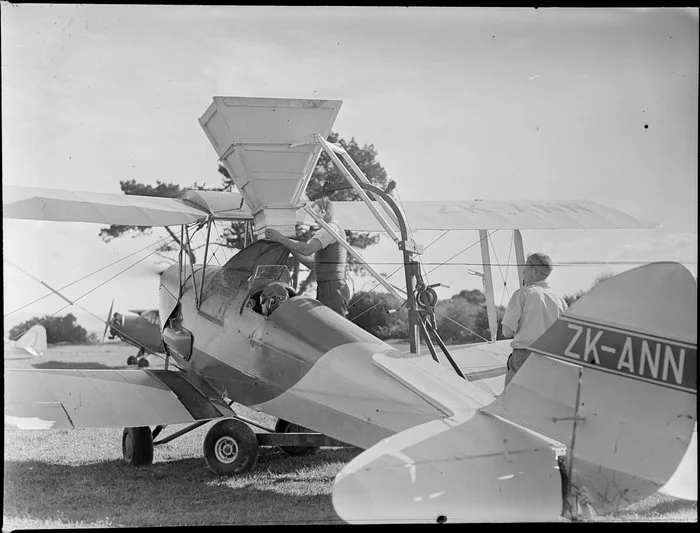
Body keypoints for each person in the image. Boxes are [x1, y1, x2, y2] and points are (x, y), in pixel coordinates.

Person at [264, 197, 351, 316]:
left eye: (315, 214)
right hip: (331, 286)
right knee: (326, 324)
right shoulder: (333, 228)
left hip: (331, 286)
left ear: (325, 212)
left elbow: (307, 250)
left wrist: (281, 238)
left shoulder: (330, 229)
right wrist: (287, 245)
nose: (315, 221)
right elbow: (311, 261)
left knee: (331, 326)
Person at [501, 252, 568, 386]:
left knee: (515, 403)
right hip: (551, 361)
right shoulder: (560, 301)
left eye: (525, 267)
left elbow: (507, 331)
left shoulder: (522, 294)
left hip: (525, 358)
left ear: (533, 270)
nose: (523, 272)